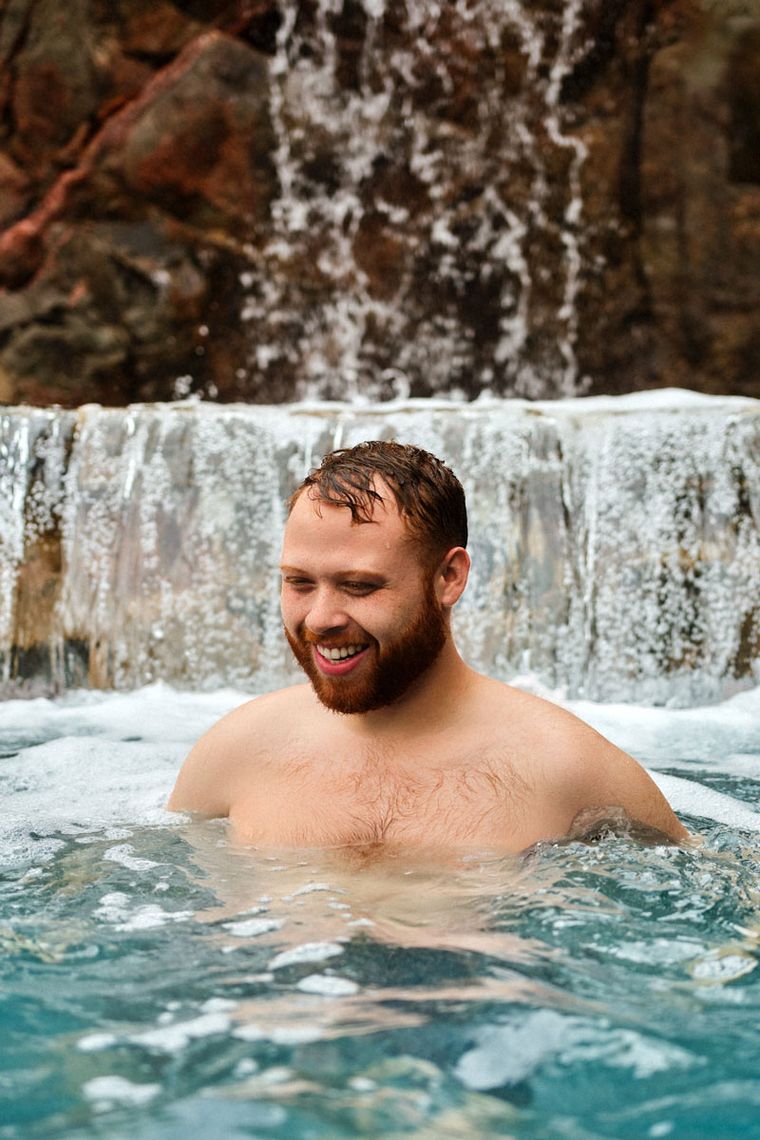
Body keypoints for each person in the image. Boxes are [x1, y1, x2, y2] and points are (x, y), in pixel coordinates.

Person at [168, 440, 687, 852]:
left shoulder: (572, 770)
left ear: (449, 577)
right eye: (299, 583)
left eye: (360, 586)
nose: (320, 619)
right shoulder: (234, 752)